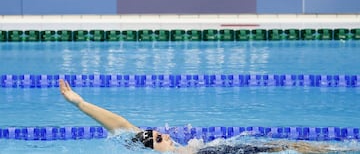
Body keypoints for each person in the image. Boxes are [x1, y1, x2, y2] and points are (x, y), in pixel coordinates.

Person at [59, 79, 352, 154]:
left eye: (159, 133)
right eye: (160, 138)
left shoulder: (162, 145)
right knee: (282, 148)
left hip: (219, 149)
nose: (166, 135)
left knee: (282, 146)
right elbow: (121, 127)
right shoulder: (156, 149)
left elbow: (122, 125)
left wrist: (80, 103)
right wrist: (79, 104)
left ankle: (335, 149)